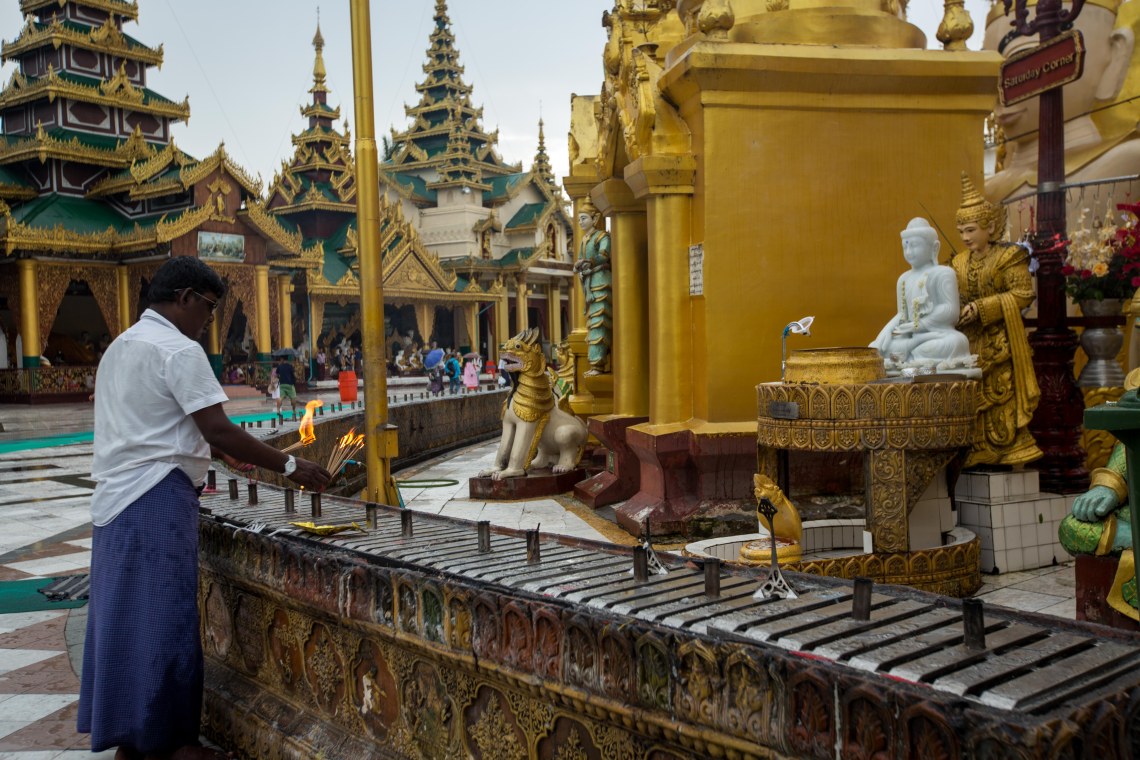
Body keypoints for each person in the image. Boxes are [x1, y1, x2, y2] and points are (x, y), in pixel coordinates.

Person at [78, 256, 331, 760]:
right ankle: (174, 743)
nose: (208, 322)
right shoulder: (179, 349)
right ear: (187, 298)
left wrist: (219, 452)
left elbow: (155, 425)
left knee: (123, 620)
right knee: (167, 619)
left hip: (113, 505)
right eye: (209, 310)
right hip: (154, 499)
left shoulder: (120, 347)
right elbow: (214, 426)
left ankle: (133, 737)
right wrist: (289, 467)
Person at [953, 173, 1042, 468]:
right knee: (972, 400)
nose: (965, 238)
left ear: (990, 227)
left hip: (1001, 342)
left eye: (971, 230)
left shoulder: (1009, 257)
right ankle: (974, 453)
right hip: (969, 343)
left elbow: (1022, 293)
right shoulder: (958, 263)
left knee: (1001, 395)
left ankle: (1009, 451)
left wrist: (983, 307)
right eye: (961, 231)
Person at [870, 218, 973, 371]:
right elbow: (902, 314)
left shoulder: (943, 273)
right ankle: (911, 351)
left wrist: (920, 325)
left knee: (957, 341)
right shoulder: (903, 279)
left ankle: (912, 353)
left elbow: (950, 310)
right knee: (885, 348)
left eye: (915, 245)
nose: (909, 251)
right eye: (905, 246)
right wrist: (883, 334)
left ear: (934, 248)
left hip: (937, 333)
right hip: (909, 336)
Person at [574, 198, 612, 374]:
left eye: (584, 218)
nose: (580, 222)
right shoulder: (584, 240)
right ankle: (595, 362)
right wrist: (578, 266)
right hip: (589, 284)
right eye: (579, 218)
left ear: (595, 219)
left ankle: (599, 363)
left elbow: (604, 254)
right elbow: (583, 259)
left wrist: (589, 262)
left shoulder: (602, 236)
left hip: (601, 283)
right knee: (592, 323)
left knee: (600, 321)